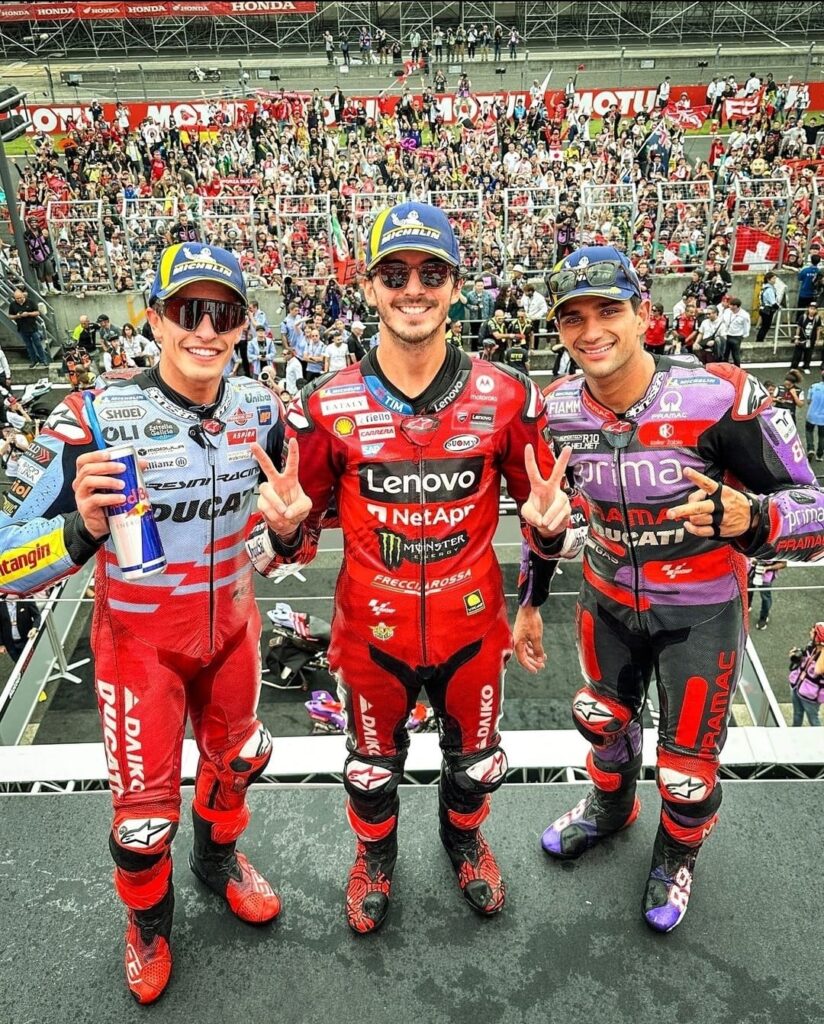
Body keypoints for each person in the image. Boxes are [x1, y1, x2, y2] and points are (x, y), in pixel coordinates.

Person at [245, 201, 577, 935]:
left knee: (478, 764)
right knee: (369, 771)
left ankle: (464, 841)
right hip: (371, 637)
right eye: (394, 274)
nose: (413, 289)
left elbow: (549, 520)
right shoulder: (322, 406)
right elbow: (284, 552)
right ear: (369, 287)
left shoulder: (509, 396)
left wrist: (548, 549)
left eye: (431, 273)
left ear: (455, 285)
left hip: (472, 631)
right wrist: (287, 530)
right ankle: (375, 856)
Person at [0, 243, 286, 1004]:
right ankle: (149, 924)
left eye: (222, 313)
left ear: (243, 324)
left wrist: (288, 535)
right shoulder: (89, 418)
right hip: (139, 648)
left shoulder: (263, 409)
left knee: (239, 761)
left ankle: (217, 863)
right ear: (154, 319)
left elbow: (280, 540)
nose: (205, 330)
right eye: (188, 311)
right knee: (142, 822)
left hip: (233, 631)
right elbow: (3, 560)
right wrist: (81, 531)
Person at [513, 244, 824, 935]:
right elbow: (547, 518)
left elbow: (815, 506)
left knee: (687, 773)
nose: (592, 330)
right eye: (572, 317)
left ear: (643, 313)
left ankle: (676, 854)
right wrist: (532, 597)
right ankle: (611, 807)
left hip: (701, 614)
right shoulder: (555, 410)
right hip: (606, 601)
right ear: (557, 329)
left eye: (608, 310)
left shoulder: (721, 394)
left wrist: (757, 519)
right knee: (600, 720)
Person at [788, 623, 824, 727]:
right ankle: (794, 732)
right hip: (797, 686)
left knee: (813, 719)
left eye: (813, 632)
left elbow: (817, 670)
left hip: (811, 696)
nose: (810, 632)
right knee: (797, 714)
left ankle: (820, 735)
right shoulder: (811, 646)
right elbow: (804, 659)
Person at [8, 288, 49, 368]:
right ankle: (34, 361)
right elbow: (10, 316)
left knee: (38, 344)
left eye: (20, 298)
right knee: (29, 346)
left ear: (23, 296)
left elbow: (37, 312)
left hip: (32, 327)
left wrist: (28, 314)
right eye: (17, 299)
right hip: (22, 328)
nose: (19, 300)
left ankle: (44, 360)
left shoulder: (30, 302)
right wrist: (17, 316)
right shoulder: (12, 305)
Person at [747, 558, 787, 630]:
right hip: (751, 571)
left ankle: (763, 618)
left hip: (766, 577)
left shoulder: (775, 551)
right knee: (748, 590)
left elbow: (783, 564)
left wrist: (768, 568)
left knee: (765, 598)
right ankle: (747, 605)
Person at [0, 594, 41, 663]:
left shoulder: (26, 598)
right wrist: (1, 644)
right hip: (10, 644)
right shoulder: (1, 603)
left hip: (27, 638)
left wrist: (34, 628)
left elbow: (37, 616)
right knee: (19, 664)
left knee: (33, 662)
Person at [792, 301, 821, 373]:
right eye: (811, 308)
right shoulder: (803, 317)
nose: (812, 311)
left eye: (814, 309)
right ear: (808, 308)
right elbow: (798, 328)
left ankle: (806, 367)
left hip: (811, 340)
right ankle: (794, 367)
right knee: (797, 354)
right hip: (801, 339)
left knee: (808, 355)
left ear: (816, 310)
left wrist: (817, 339)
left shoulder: (817, 318)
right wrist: (796, 338)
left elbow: (818, 329)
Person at [804, 366, 824, 461]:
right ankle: (819, 455)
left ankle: (810, 448)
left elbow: (808, 401)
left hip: (811, 414)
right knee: (822, 436)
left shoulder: (814, 386)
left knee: (809, 431)